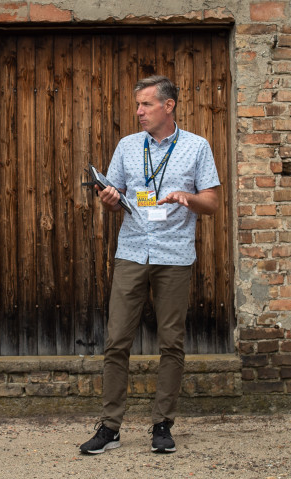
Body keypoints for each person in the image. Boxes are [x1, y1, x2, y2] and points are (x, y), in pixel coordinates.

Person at [79, 75, 220, 456]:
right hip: (132, 251)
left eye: (146, 104)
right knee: (116, 339)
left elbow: (212, 202)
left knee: (171, 342)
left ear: (168, 105)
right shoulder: (127, 146)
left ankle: (163, 423)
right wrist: (108, 198)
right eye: (138, 105)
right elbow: (116, 197)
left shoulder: (196, 147)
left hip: (174, 256)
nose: (139, 112)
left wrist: (187, 198)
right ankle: (110, 426)